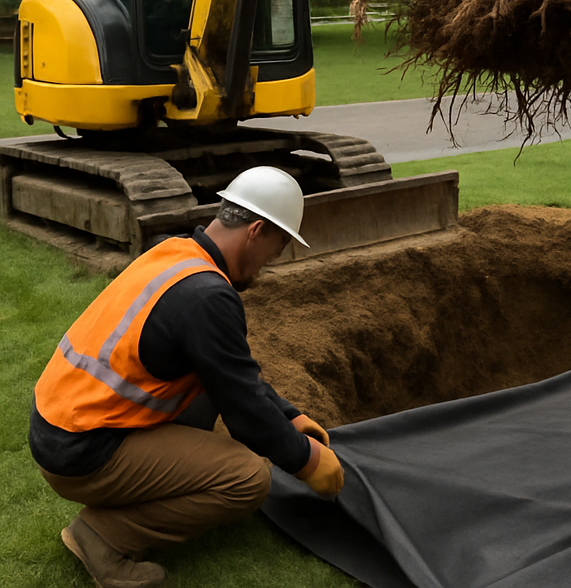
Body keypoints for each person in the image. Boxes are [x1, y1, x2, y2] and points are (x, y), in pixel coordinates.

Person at [29, 166, 344, 588]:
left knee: (209, 390)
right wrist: (306, 462)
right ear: (255, 231)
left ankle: (134, 497)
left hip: (64, 423)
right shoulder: (208, 297)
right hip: (82, 453)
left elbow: (232, 375)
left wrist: (289, 417)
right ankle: (102, 538)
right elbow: (246, 412)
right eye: (278, 245)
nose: (273, 260)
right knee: (248, 478)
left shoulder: (176, 253)